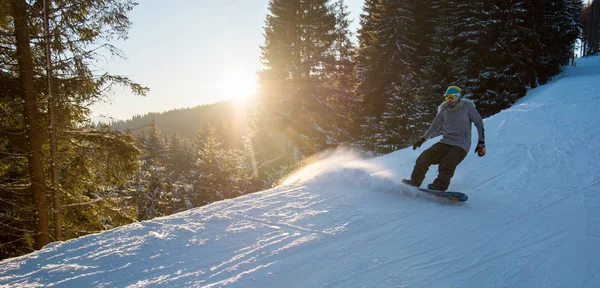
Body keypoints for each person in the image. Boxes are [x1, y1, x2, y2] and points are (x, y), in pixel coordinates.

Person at [402, 86, 486, 191]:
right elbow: (435, 126)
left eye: (452, 97)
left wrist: (481, 141)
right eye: (447, 97)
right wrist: (423, 139)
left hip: (461, 143)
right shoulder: (444, 109)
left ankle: (439, 186)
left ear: (458, 97)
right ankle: (415, 181)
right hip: (446, 141)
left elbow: (479, 123)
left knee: (448, 162)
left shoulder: (467, 107)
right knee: (424, 156)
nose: (449, 100)